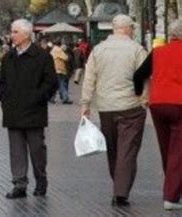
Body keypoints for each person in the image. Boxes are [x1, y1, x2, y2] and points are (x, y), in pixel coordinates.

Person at [80, 14, 148, 206]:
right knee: (128, 149)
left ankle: (119, 185)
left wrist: (85, 104)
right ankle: (121, 191)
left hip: (106, 107)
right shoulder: (137, 50)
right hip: (131, 106)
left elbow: (89, 78)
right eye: (133, 28)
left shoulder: (99, 50)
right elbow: (145, 78)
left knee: (113, 149)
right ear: (128, 29)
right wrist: (144, 101)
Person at [0, 19, 57, 199]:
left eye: (15, 32)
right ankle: (19, 184)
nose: (11, 35)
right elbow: (1, 82)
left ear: (26, 34)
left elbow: (51, 82)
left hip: (34, 111)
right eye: (12, 32)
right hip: (13, 111)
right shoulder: (8, 57)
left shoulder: (42, 56)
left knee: (37, 149)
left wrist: (37, 97)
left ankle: (41, 180)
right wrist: (4, 98)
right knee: (16, 151)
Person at [133, 19, 182, 210]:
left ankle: (173, 189)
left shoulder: (158, 52)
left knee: (166, 147)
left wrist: (138, 93)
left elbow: (138, 75)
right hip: (179, 104)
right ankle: (171, 196)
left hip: (158, 103)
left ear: (172, 35)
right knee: (178, 151)